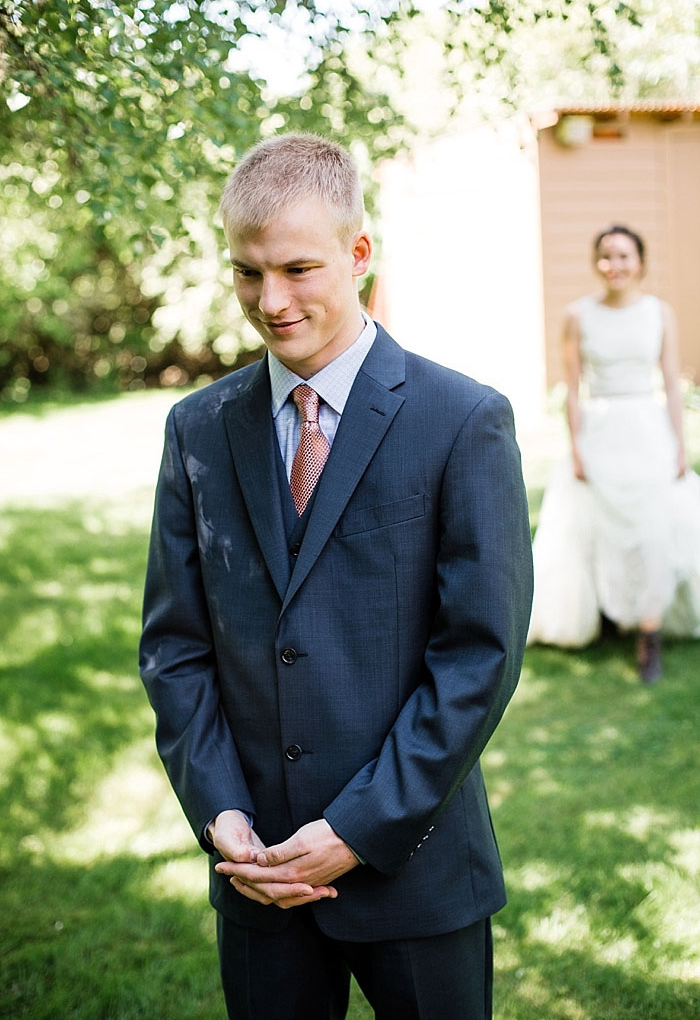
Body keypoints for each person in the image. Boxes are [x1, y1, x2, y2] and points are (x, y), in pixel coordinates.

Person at [139, 132, 533, 1020]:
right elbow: (175, 646)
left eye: (297, 269)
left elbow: (480, 654)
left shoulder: (462, 420)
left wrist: (358, 829)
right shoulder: (197, 429)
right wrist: (221, 816)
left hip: (417, 870)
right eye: (247, 273)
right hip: (259, 877)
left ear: (359, 254)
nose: (270, 301)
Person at [528, 224, 700, 681]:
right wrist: (577, 447)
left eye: (624, 256)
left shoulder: (659, 313)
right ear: (596, 264)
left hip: (646, 429)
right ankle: (606, 615)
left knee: (653, 529)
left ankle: (650, 632)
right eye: (607, 256)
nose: (615, 265)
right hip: (599, 431)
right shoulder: (578, 315)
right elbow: (572, 388)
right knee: (595, 527)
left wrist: (679, 446)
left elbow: (669, 381)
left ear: (640, 262)